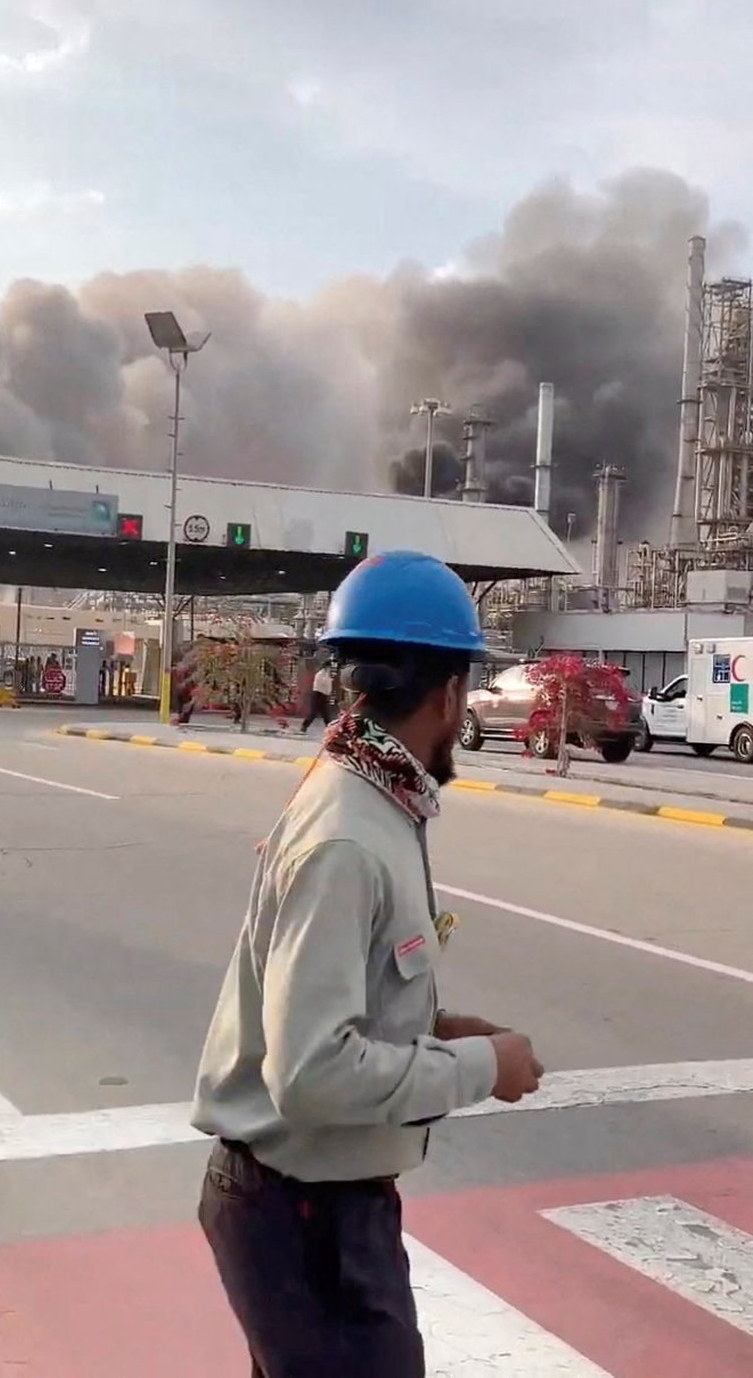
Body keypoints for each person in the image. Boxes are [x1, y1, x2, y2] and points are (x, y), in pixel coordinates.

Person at [193, 550, 544, 1378]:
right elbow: (313, 1074)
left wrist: (431, 1026)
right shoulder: (349, 836)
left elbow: (342, 996)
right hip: (302, 1212)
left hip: (321, 1204)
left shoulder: (371, 797)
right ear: (451, 692)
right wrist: (479, 1065)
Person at [300, 658, 334, 732]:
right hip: (318, 694)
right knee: (313, 713)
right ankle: (304, 726)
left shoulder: (326, 674)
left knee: (325, 713)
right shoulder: (321, 674)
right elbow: (325, 684)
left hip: (323, 695)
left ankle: (330, 727)